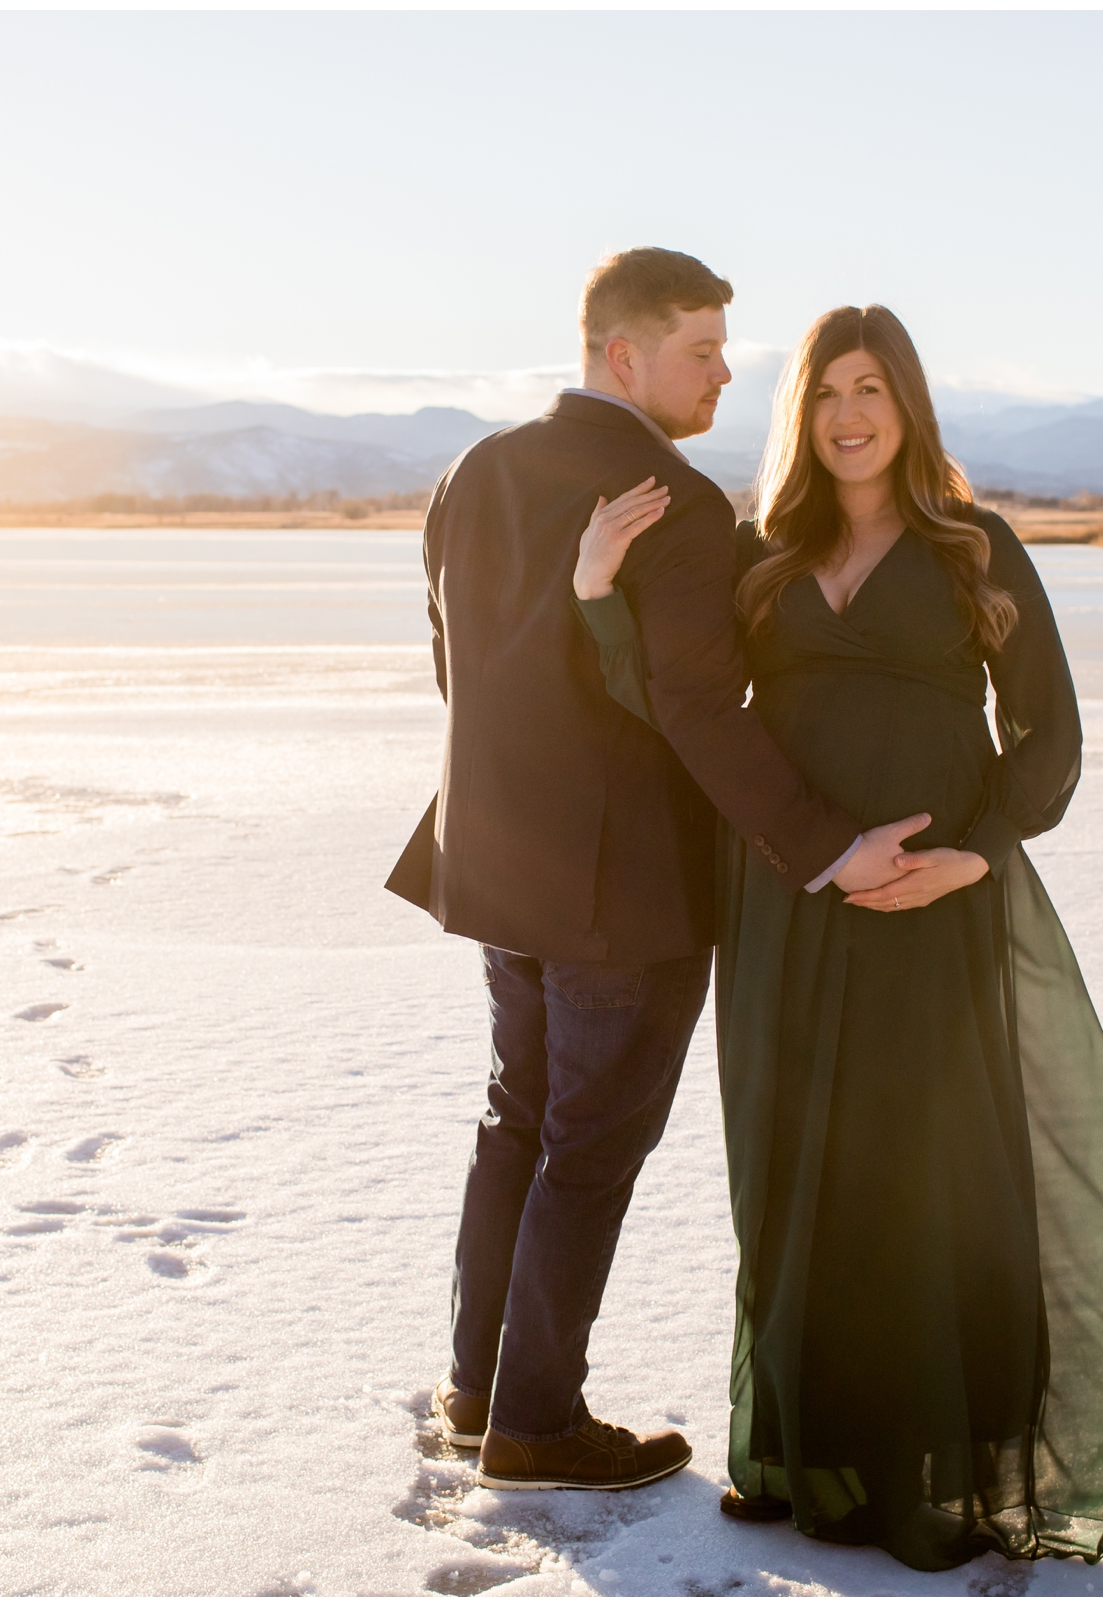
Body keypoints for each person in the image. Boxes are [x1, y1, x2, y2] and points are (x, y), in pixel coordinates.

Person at [569, 305, 1103, 1569]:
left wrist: (972, 857)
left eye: (871, 386)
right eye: (826, 390)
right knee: (790, 1171)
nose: (848, 413)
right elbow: (685, 705)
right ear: (802, 414)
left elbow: (1050, 736)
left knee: (927, 1178)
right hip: (789, 901)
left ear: (909, 403)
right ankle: (794, 1449)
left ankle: (933, 1475)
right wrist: (601, 597)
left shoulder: (973, 546)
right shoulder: (762, 550)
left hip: (935, 907)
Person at [385, 251, 931, 1494]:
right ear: (624, 355)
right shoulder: (673, 504)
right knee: (584, 1145)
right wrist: (829, 845)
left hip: (495, 863)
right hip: (620, 896)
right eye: (702, 349)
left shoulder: (474, 472)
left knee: (515, 1119)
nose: (727, 371)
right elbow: (698, 706)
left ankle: (479, 1387)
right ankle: (534, 1421)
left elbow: (451, 661)